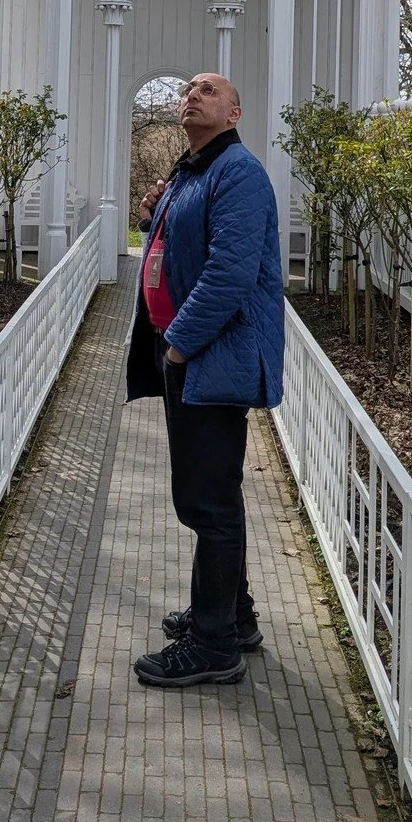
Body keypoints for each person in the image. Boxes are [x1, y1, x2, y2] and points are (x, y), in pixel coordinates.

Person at [125, 71, 285, 687]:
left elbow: (231, 273)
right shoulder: (193, 171)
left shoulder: (238, 173)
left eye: (210, 91)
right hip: (192, 357)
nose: (193, 94)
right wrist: (151, 219)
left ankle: (214, 646)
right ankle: (233, 614)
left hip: (209, 359)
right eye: (189, 89)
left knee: (206, 501)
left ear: (235, 114)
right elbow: (175, 250)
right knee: (214, 493)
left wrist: (180, 348)